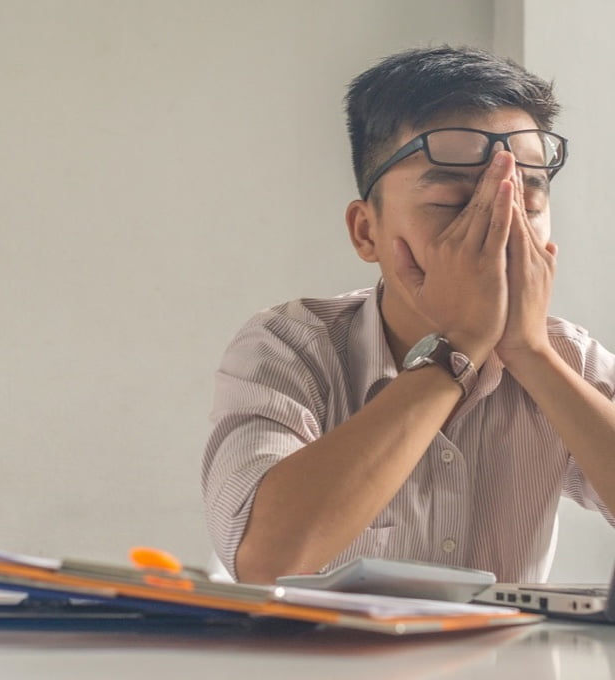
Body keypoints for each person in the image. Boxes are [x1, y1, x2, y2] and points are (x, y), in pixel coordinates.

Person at [201, 45, 615, 585]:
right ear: (365, 231)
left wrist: (531, 353)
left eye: (528, 208)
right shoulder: (290, 346)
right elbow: (266, 560)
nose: (498, 232)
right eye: (451, 205)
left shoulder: (567, 357)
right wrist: (458, 346)